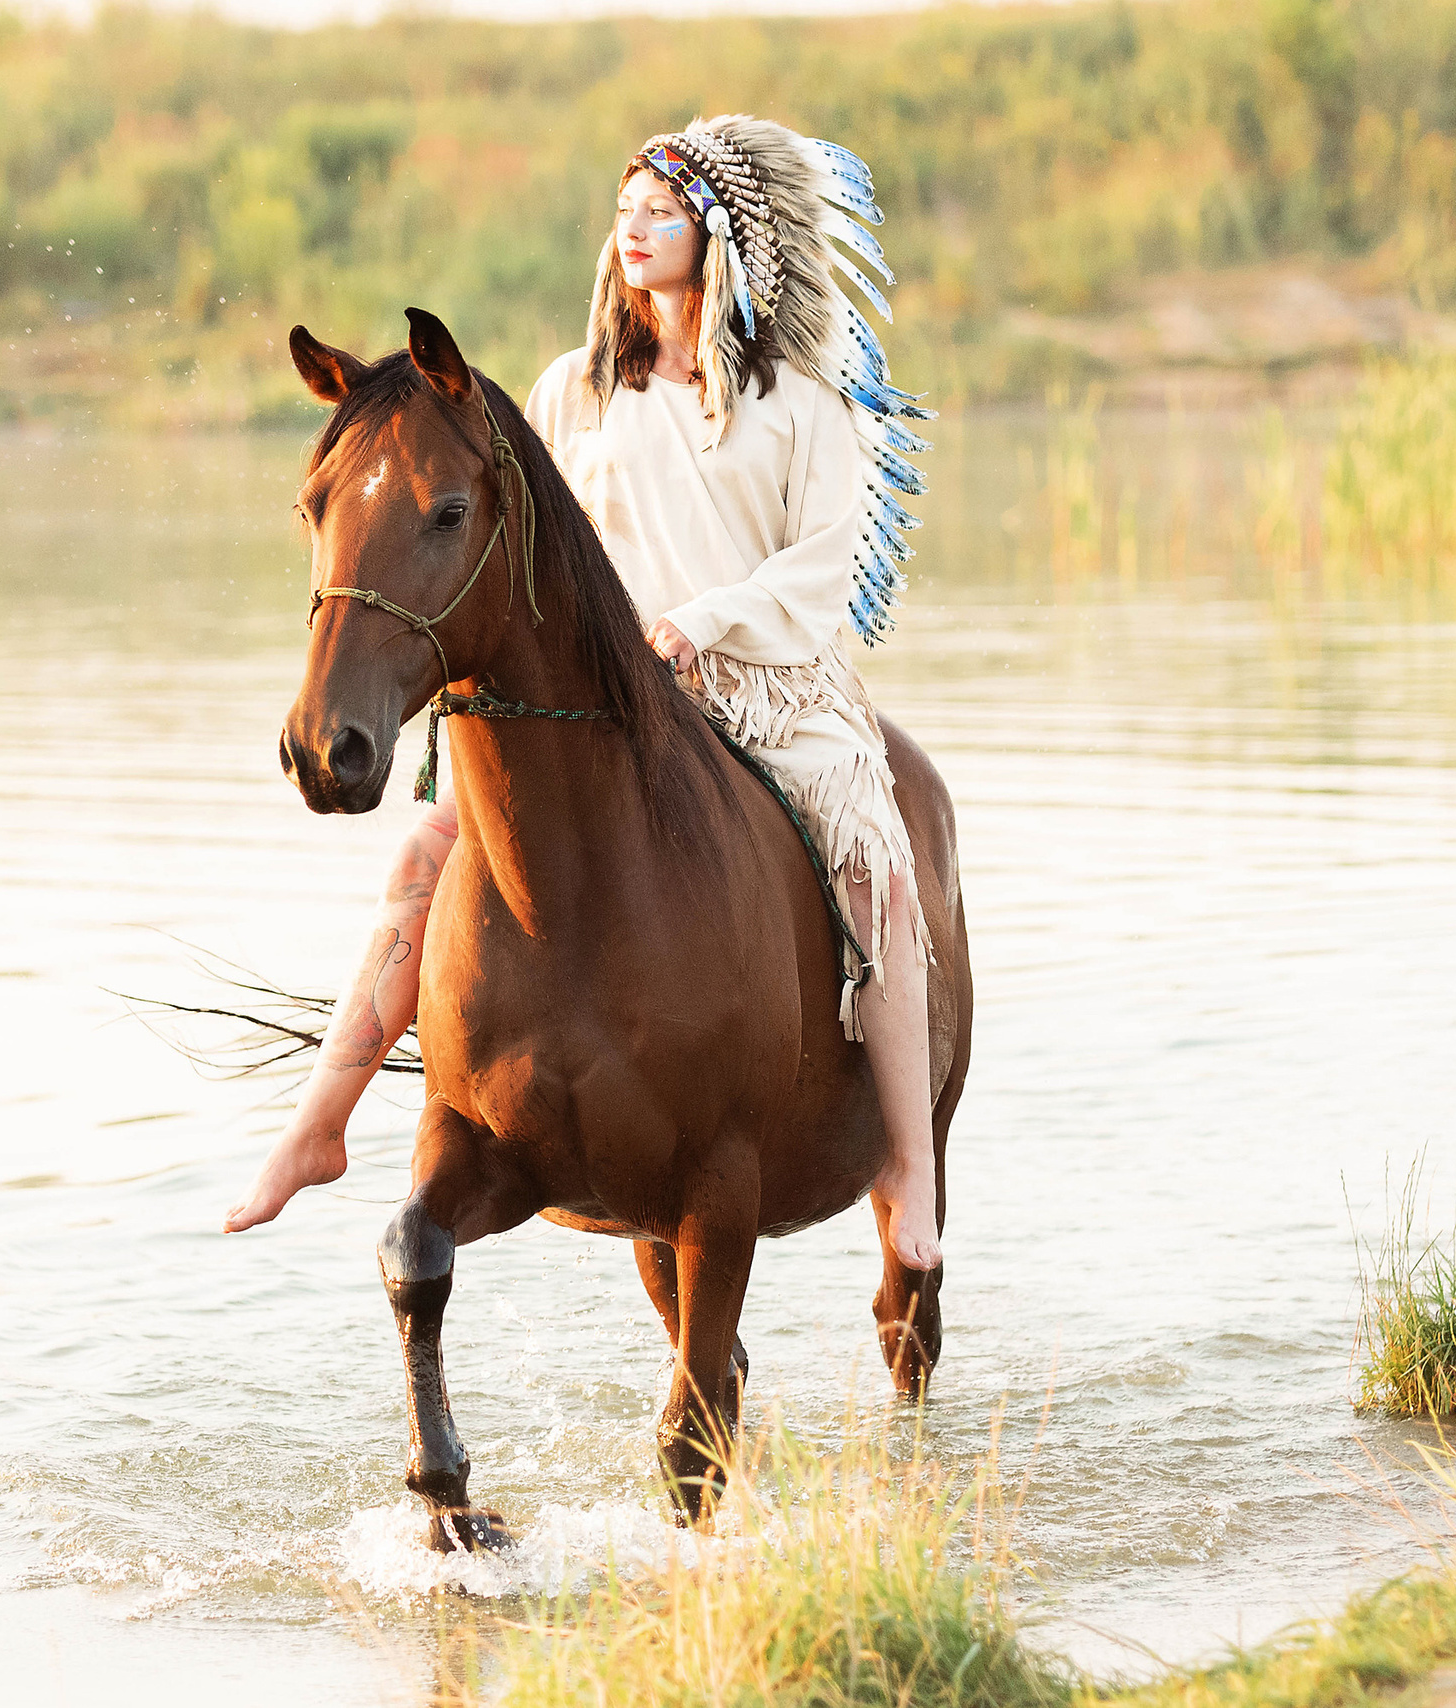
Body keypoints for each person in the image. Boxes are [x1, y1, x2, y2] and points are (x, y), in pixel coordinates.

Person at [226, 116, 941, 1272]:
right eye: (623, 212)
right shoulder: (574, 390)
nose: (632, 231)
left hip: (769, 687)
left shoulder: (800, 402)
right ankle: (319, 1124)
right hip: (613, 693)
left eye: (660, 212)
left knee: (876, 864)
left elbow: (823, 561)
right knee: (423, 856)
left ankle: (907, 1163)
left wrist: (704, 622)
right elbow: (532, 542)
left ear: (721, 235)